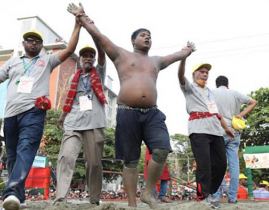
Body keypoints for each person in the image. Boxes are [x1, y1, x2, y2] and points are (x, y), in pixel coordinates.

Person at [67, 3, 195, 209]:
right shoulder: (121, 54)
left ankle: (147, 193)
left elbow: (175, 56)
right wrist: (81, 16)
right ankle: (132, 203)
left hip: (152, 113)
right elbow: (98, 36)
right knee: (131, 160)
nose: (148, 37)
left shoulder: (156, 60)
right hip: (127, 112)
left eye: (150, 35)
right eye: (143, 35)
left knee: (162, 149)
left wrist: (187, 51)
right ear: (133, 40)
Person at [0, 18, 83, 210]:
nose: (33, 43)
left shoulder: (47, 61)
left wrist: (77, 25)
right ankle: (19, 197)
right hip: (10, 114)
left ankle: (10, 193)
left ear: (41, 46)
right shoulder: (13, 62)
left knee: (26, 149)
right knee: (13, 156)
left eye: (37, 41)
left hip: (34, 112)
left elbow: (69, 49)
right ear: (23, 44)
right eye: (29, 40)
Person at [54, 17, 106, 206]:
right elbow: (70, 101)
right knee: (66, 157)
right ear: (80, 59)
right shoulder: (73, 79)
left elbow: (101, 52)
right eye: (84, 56)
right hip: (73, 122)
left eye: (90, 56)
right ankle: (60, 198)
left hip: (94, 123)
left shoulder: (99, 73)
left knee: (93, 164)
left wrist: (90, 28)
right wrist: (61, 117)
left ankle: (93, 200)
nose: (88, 58)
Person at [177, 60, 235, 209]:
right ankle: (203, 197)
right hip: (198, 129)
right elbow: (180, 75)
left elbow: (216, 112)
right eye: (201, 71)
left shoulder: (210, 92)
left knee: (222, 164)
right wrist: (183, 58)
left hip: (216, 129)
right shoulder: (189, 87)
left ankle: (209, 193)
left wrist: (226, 128)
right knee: (204, 165)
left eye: (206, 72)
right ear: (194, 74)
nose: (204, 74)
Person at [213, 75, 257, 203]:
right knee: (234, 164)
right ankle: (232, 197)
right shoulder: (235, 93)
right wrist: (241, 115)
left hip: (218, 131)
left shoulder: (212, 93)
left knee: (217, 164)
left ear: (216, 85)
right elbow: (253, 102)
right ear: (227, 84)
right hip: (234, 131)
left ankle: (216, 195)